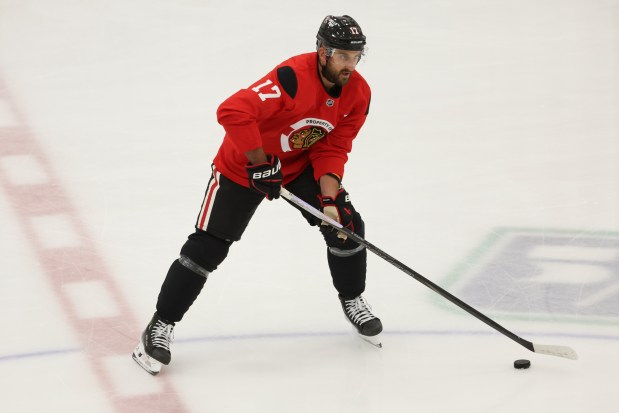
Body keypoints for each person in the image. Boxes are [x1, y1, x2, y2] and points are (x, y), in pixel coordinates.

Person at [132, 14, 383, 376]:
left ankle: (352, 298)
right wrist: (259, 163)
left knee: (346, 225)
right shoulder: (291, 79)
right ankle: (160, 325)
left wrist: (328, 200)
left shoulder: (358, 93)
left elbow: (334, 146)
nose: (350, 64)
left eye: (355, 56)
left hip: (296, 167)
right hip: (241, 167)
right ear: (322, 51)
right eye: (342, 55)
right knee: (208, 247)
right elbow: (232, 110)